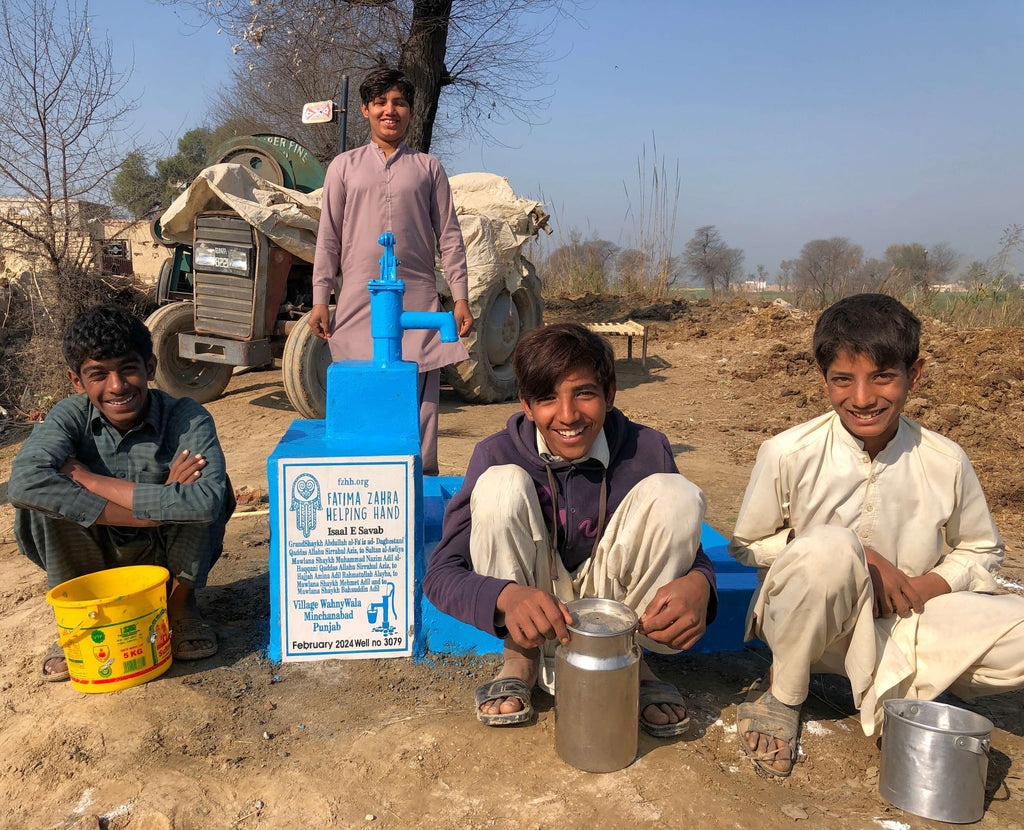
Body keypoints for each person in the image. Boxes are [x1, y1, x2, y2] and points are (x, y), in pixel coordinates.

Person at [729, 293, 1024, 777]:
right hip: (809, 624)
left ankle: (903, 682)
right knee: (830, 548)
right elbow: (745, 546)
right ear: (823, 379)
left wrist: (923, 587)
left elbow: (981, 549)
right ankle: (784, 691)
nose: (863, 398)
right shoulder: (786, 452)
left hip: (903, 620)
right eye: (843, 379)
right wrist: (856, 556)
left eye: (883, 376)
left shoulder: (945, 459)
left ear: (916, 374)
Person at [424, 322, 717, 732]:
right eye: (547, 399)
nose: (568, 415)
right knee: (500, 487)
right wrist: (506, 597)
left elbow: (690, 549)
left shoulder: (647, 449)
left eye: (584, 393)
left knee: (677, 495)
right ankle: (520, 656)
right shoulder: (495, 452)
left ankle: (633, 659)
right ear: (526, 406)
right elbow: (440, 574)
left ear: (610, 393)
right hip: (537, 603)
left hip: (617, 612)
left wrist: (701, 584)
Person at [9, 304, 235, 681]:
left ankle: (179, 610)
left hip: (166, 554)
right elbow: (25, 484)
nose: (117, 386)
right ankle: (80, 620)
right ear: (77, 380)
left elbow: (206, 500)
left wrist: (91, 481)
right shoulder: (68, 416)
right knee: (43, 504)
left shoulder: (186, 417)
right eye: (99, 374)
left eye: (128, 368)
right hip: (93, 554)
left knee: (209, 494)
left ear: (151, 367)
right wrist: (151, 507)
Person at [308, 67, 474, 475]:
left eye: (399, 102)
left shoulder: (429, 169)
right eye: (380, 102)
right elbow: (328, 238)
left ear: (410, 111)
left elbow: (449, 236)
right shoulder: (343, 168)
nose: (390, 110)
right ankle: (368, 486)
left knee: (420, 407)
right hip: (358, 303)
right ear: (365, 109)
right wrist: (319, 299)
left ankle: (422, 483)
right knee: (362, 395)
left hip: (416, 301)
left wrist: (461, 296)